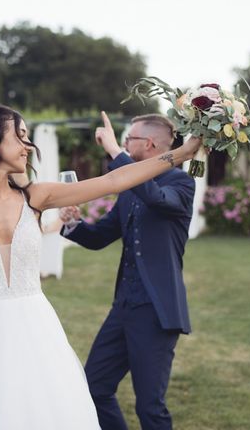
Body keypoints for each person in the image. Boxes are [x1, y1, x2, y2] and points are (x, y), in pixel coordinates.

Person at [0, 105, 200, 429]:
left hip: (35, 331)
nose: (28, 145)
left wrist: (182, 154)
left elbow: (117, 180)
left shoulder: (36, 196)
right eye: (19, 136)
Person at [59, 113, 195, 430]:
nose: (122, 143)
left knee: (150, 408)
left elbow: (155, 197)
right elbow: (100, 236)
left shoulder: (181, 183)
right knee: (94, 388)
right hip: (123, 307)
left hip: (157, 310)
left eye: (128, 139)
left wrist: (112, 150)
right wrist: (73, 224)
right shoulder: (130, 189)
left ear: (149, 144)